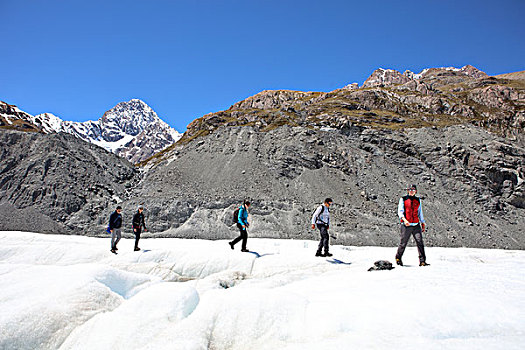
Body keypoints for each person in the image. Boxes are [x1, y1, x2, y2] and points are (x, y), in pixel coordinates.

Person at [395, 184, 429, 266]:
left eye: (413, 190)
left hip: (416, 224)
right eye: (410, 190)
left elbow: (420, 212)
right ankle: (398, 258)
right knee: (403, 243)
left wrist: (422, 222)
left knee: (419, 241)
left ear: (415, 191)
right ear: (408, 190)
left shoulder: (418, 200)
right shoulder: (403, 199)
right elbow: (400, 211)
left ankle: (422, 261)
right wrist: (404, 220)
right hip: (406, 225)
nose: (411, 191)